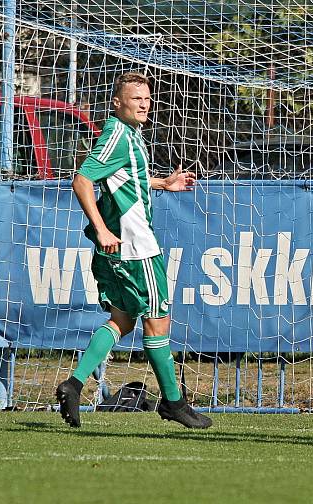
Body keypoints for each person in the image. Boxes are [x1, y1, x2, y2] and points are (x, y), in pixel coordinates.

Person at [55, 72, 211, 430]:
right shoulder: (117, 135)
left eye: (147, 97)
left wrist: (163, 183)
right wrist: (101, 227)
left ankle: (74, 384)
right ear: (117, 102)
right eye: (135, 98)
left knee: (122, 321)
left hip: (119, 249)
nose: (144, 103)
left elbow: (126, 177)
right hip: (136, 248)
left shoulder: (131, 135)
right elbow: (82, 180)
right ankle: (173, 402)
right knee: (157, 323)